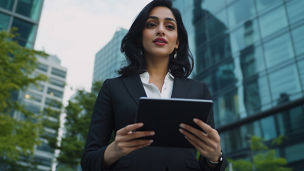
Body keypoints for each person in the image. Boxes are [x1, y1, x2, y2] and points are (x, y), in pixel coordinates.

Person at [81, 0, 226, 170]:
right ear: (140, 35)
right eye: (152, 24)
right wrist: (114, 150)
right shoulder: (113, 88)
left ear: (177, 42)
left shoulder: (199, 90)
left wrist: (215, 157)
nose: (161, 31)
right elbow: (88, 162)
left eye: (170, 27)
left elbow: (209, 163)